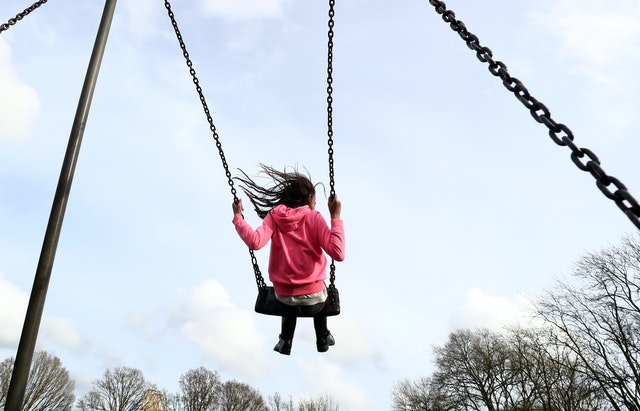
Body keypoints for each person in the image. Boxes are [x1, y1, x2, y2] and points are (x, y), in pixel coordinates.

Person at [231, 164, 345, 355]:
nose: (314, 206)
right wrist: (335, 216)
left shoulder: (274, 217)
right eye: (315, 202)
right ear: (309, 199)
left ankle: (285, 340)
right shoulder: (314, 217)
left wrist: (238, 217)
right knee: (321, 294)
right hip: (315, 301)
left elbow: (255, 242)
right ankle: (323, 336)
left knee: (288, 299)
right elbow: (338, 253)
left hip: (284, 299)